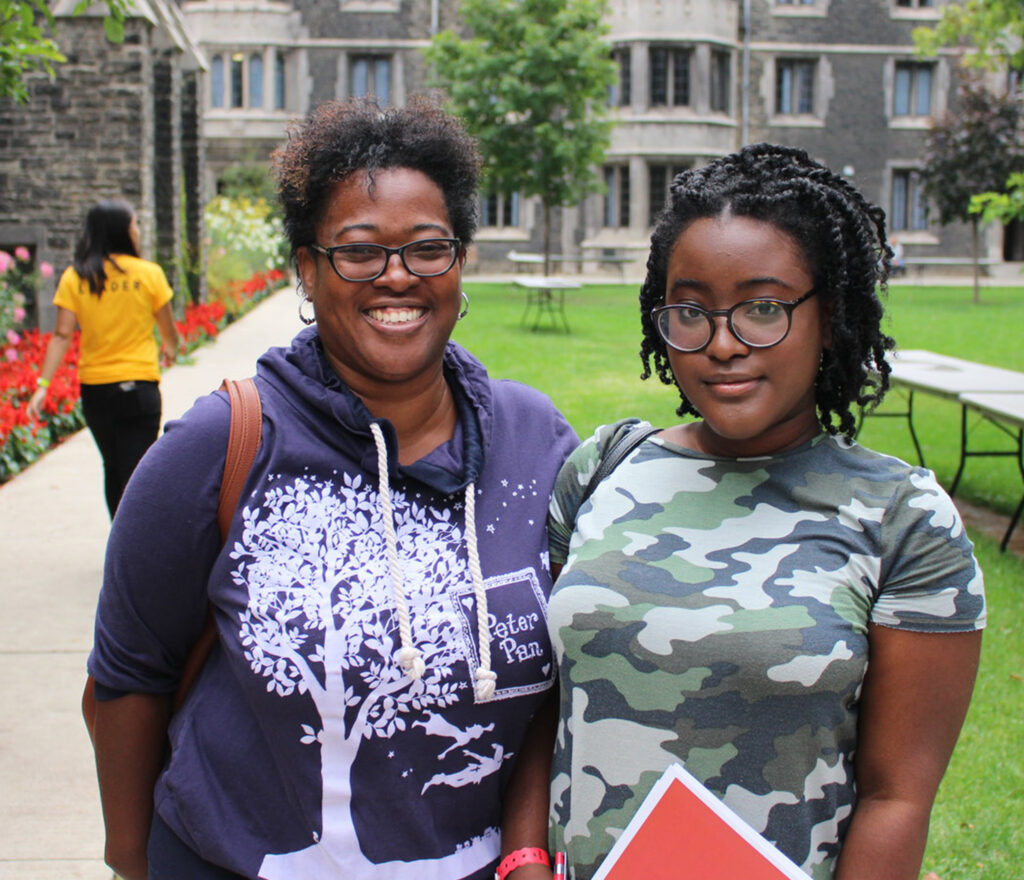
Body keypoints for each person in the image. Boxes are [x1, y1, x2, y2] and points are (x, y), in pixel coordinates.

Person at [86, 97, 578, 880]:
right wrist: (131, 860)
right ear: (308, 271)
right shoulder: (220, 447)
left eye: (427, 249)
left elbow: (569, 672)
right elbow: (126, 679)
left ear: (459, 263)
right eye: (358, 252)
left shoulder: (536, 439)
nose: (396, 277)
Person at [513, 144, 985, 880]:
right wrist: (523, 860)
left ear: (828, 315)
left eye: (763, 308)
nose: (723, 344)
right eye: (691, 311)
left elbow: (897, 797)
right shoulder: (603, 468)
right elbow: (549, 706)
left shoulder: (903, 520)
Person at [27, 200, 178, 517]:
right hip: (140, 386)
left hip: (97, 391)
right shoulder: (149, 274)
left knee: (113, 467)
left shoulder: (76, 277)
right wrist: (169, 348)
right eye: (134, 224)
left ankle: (119, 543)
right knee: (140, 473)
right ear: (123, 231)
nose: (137, 230)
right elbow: (168, 329)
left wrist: (43, 385)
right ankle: (136, 550)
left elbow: (62, 335)